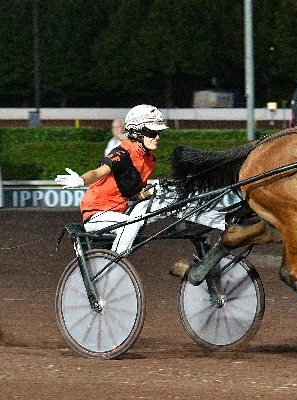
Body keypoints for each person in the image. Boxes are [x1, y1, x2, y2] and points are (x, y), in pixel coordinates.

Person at [55, 105, 228, 285]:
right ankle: (110, 273)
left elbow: (135, 195)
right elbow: (99, 172)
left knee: (168, 201)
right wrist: (81, 180)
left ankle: (223, 222)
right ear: (137, 133)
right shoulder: (122, 152)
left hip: (121, 213)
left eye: (159, 132)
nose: (158, 137)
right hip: (96, 215)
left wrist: (152, 192)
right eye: (153, 133)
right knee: (130, 224)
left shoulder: (148, 159)